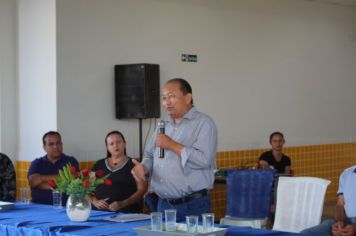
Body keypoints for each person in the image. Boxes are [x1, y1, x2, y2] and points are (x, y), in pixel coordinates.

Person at [131, 78, 218, 221]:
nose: (166, 102)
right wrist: (144, 168)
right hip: (163, 204)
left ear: (187, 98)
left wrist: (172, 145)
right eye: (164, 98)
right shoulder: (163, 126)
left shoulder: (204, 123)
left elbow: (203, 160)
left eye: (171, 96)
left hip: (192, 205)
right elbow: (150, 155)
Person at [91, 131, 147, 213]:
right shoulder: (98, 164)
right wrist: (94, 201)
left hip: (127, 213)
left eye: (118, 142)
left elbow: (142, 189)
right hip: (99, 213)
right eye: (111, 144)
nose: (115, 146)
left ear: (124, 144)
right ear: (107, 147)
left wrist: (122, 204)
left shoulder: (134, 164)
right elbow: (87, 189)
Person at [300, 165, 356, 236]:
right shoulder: (346, 174)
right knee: (306, 234)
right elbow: (340, 205)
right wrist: (339, 222)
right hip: (346, 222)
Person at [28, 131, 79, 205]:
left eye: (58, 143)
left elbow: (73, 181)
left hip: (65, 207)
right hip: (39, 207)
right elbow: (32, 182)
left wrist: (41, 179)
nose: (55, 146)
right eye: (51, 144)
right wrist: (62, 181)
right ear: (44, 147)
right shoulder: (37, 163)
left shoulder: (71, 161)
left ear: (62, 144)